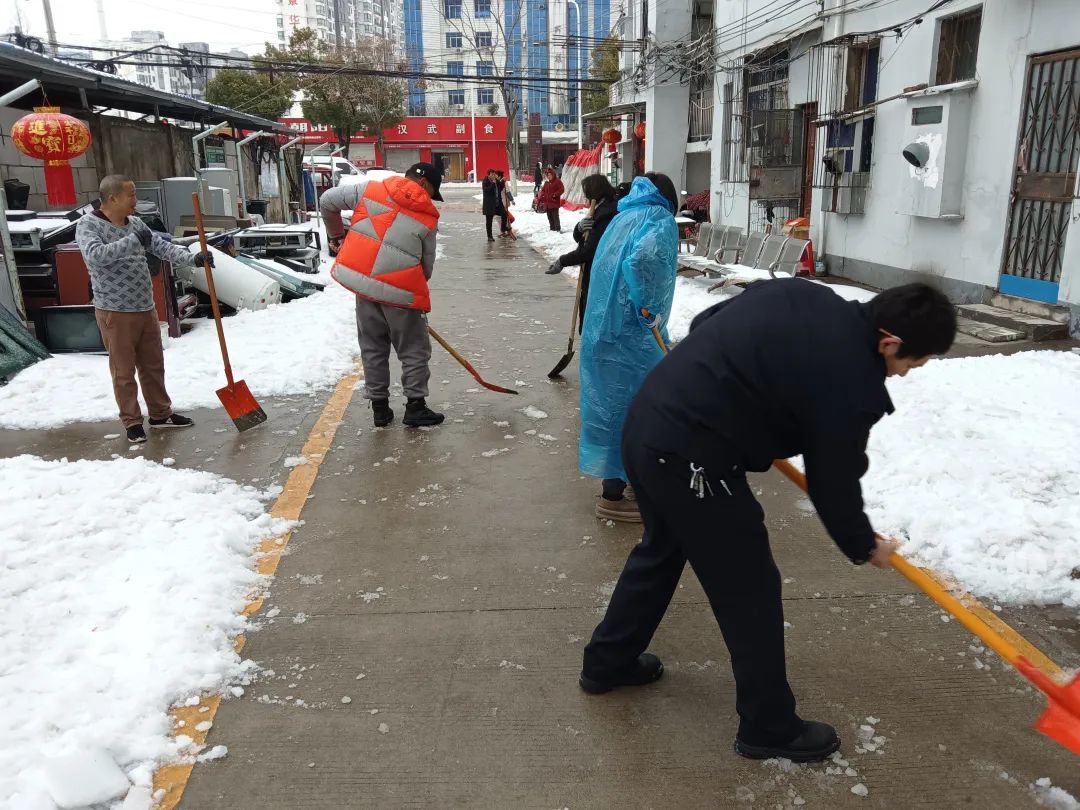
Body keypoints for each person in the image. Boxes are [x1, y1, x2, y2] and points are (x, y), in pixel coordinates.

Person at [579, 280, 957, 762]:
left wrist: (744, 400)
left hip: (649, 424)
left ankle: (608, 661)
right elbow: (833, 481)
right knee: (749, 589)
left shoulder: (804, 297)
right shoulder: (851, 380)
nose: (902, 374)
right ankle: (768, 726)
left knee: (663, 548)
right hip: (693, 459)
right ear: (890, 343)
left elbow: (708, 323)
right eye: (910, 364)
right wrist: (864, 544)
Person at [75, 175, 212, 443]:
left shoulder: (136, 223)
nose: (135, 201)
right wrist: (132, 240)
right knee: (123, 371)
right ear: (113, 198)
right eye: (131, 195)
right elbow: (96, 256)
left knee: (153, 366)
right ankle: (132, 422)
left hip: (145, 307)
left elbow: (160, 247)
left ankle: (160, 414)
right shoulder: (88, 225)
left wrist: (193, 259)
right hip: (115, 311)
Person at [578, 173, 680, 522]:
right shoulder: (658, 218)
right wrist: (649, 309)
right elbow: (644, 261)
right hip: (631, 336)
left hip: (602, 332)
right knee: (639, 411)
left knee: (612, 411)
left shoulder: (623, 216)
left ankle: (626, 483)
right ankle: (617, 495)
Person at [320, 162, 445, 428]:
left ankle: (380, 409)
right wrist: (409, 290)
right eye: (432, 192)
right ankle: (415, 407)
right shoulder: (427, 216)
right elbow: (427, 265)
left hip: (364, 288)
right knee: (413, 350)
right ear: (423, 183)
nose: (430, 198)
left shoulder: (369, 189)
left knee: (373, 347)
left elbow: (327, 201)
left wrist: (337, 236)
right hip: (401, 294)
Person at [546, 174, 619, 332]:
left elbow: (588, 250)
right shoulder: (598, 209)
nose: (585, 195)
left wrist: (562, 261)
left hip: (600, 275)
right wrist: (579, 229)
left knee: (592, 323)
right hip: (597, 272)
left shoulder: (606, 214)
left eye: (586, 191)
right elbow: (582, 239)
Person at [481, 168, 506, 242]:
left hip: (497, 204)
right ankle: (489, 236)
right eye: (492, 174)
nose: (493, 176)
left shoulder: (496, 180)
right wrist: (492, 183)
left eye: (494, 174)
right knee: (489, 221)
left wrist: (503, 181)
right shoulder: (485, 181)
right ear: (488, 175)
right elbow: (486, 190)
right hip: (489, 205)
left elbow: (500, 187)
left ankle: (503, 229)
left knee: (504, 214)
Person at [538, 166, 565, 232]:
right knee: (549, 217)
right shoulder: (546, 183)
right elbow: (543, 190)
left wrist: (555, 195)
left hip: (554, 203)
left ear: (553, 174)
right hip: (547, 203)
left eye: (550, 175)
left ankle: (557, 229)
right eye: (548, 175)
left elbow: (562, 189)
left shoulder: (557, 181)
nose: (549, 176)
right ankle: (552, 228)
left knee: (555, 217)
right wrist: (543, 195)